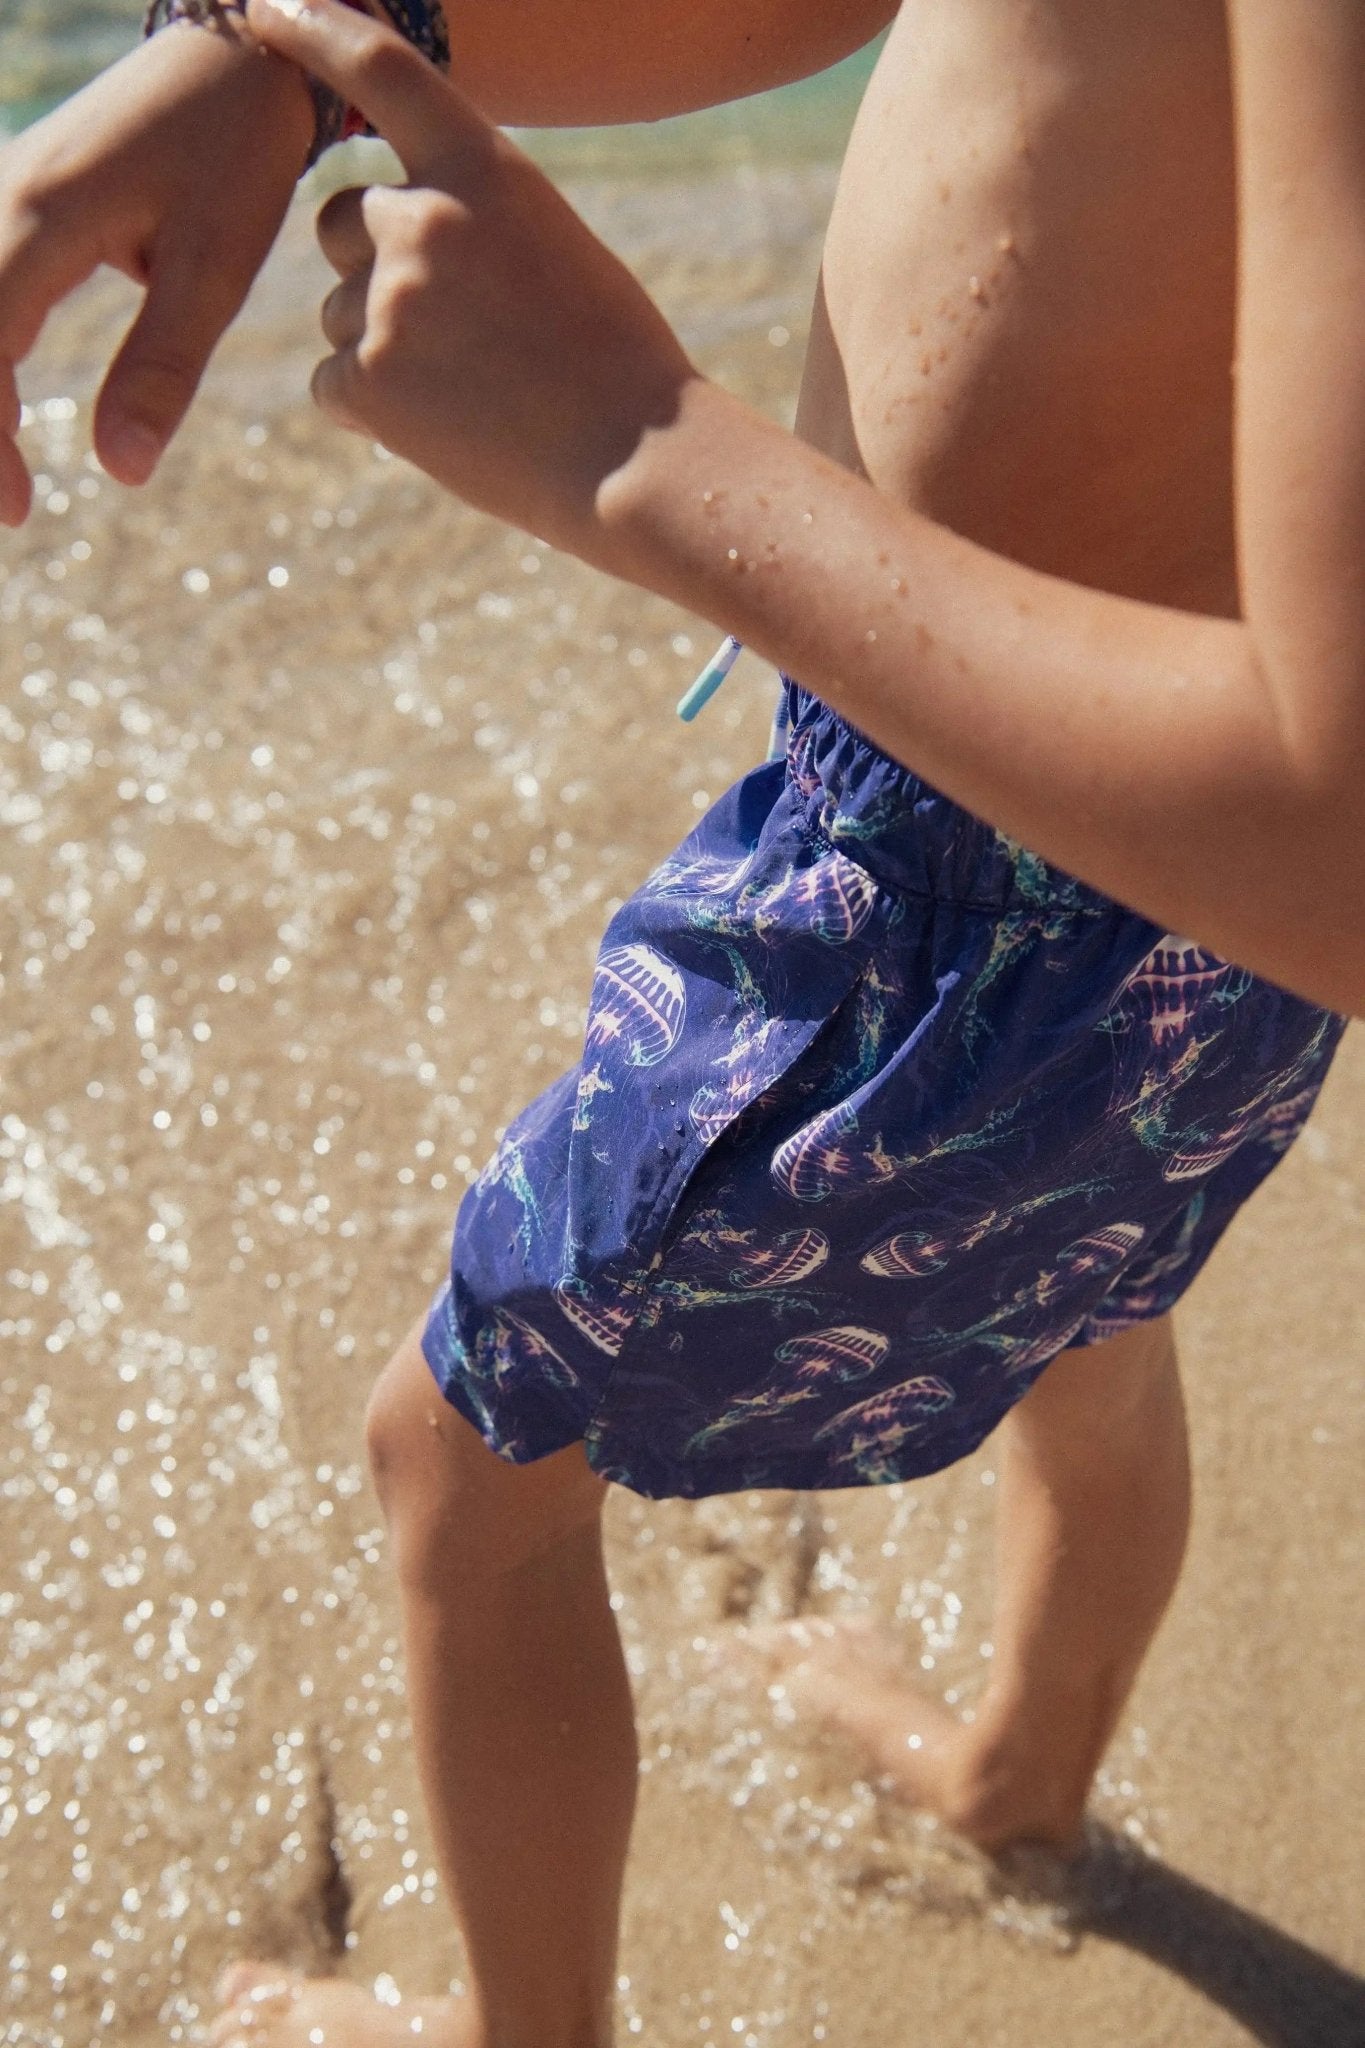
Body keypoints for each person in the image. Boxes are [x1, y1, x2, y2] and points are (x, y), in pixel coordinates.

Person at [0, 4, 1357, 2045]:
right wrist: (347, 44)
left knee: (465, 1454)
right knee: (1092, 1301)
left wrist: (633, 440)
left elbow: (1335, 847)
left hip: (957, 895)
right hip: (1159, 918)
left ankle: (520, 2036)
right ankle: (1020, 1773)